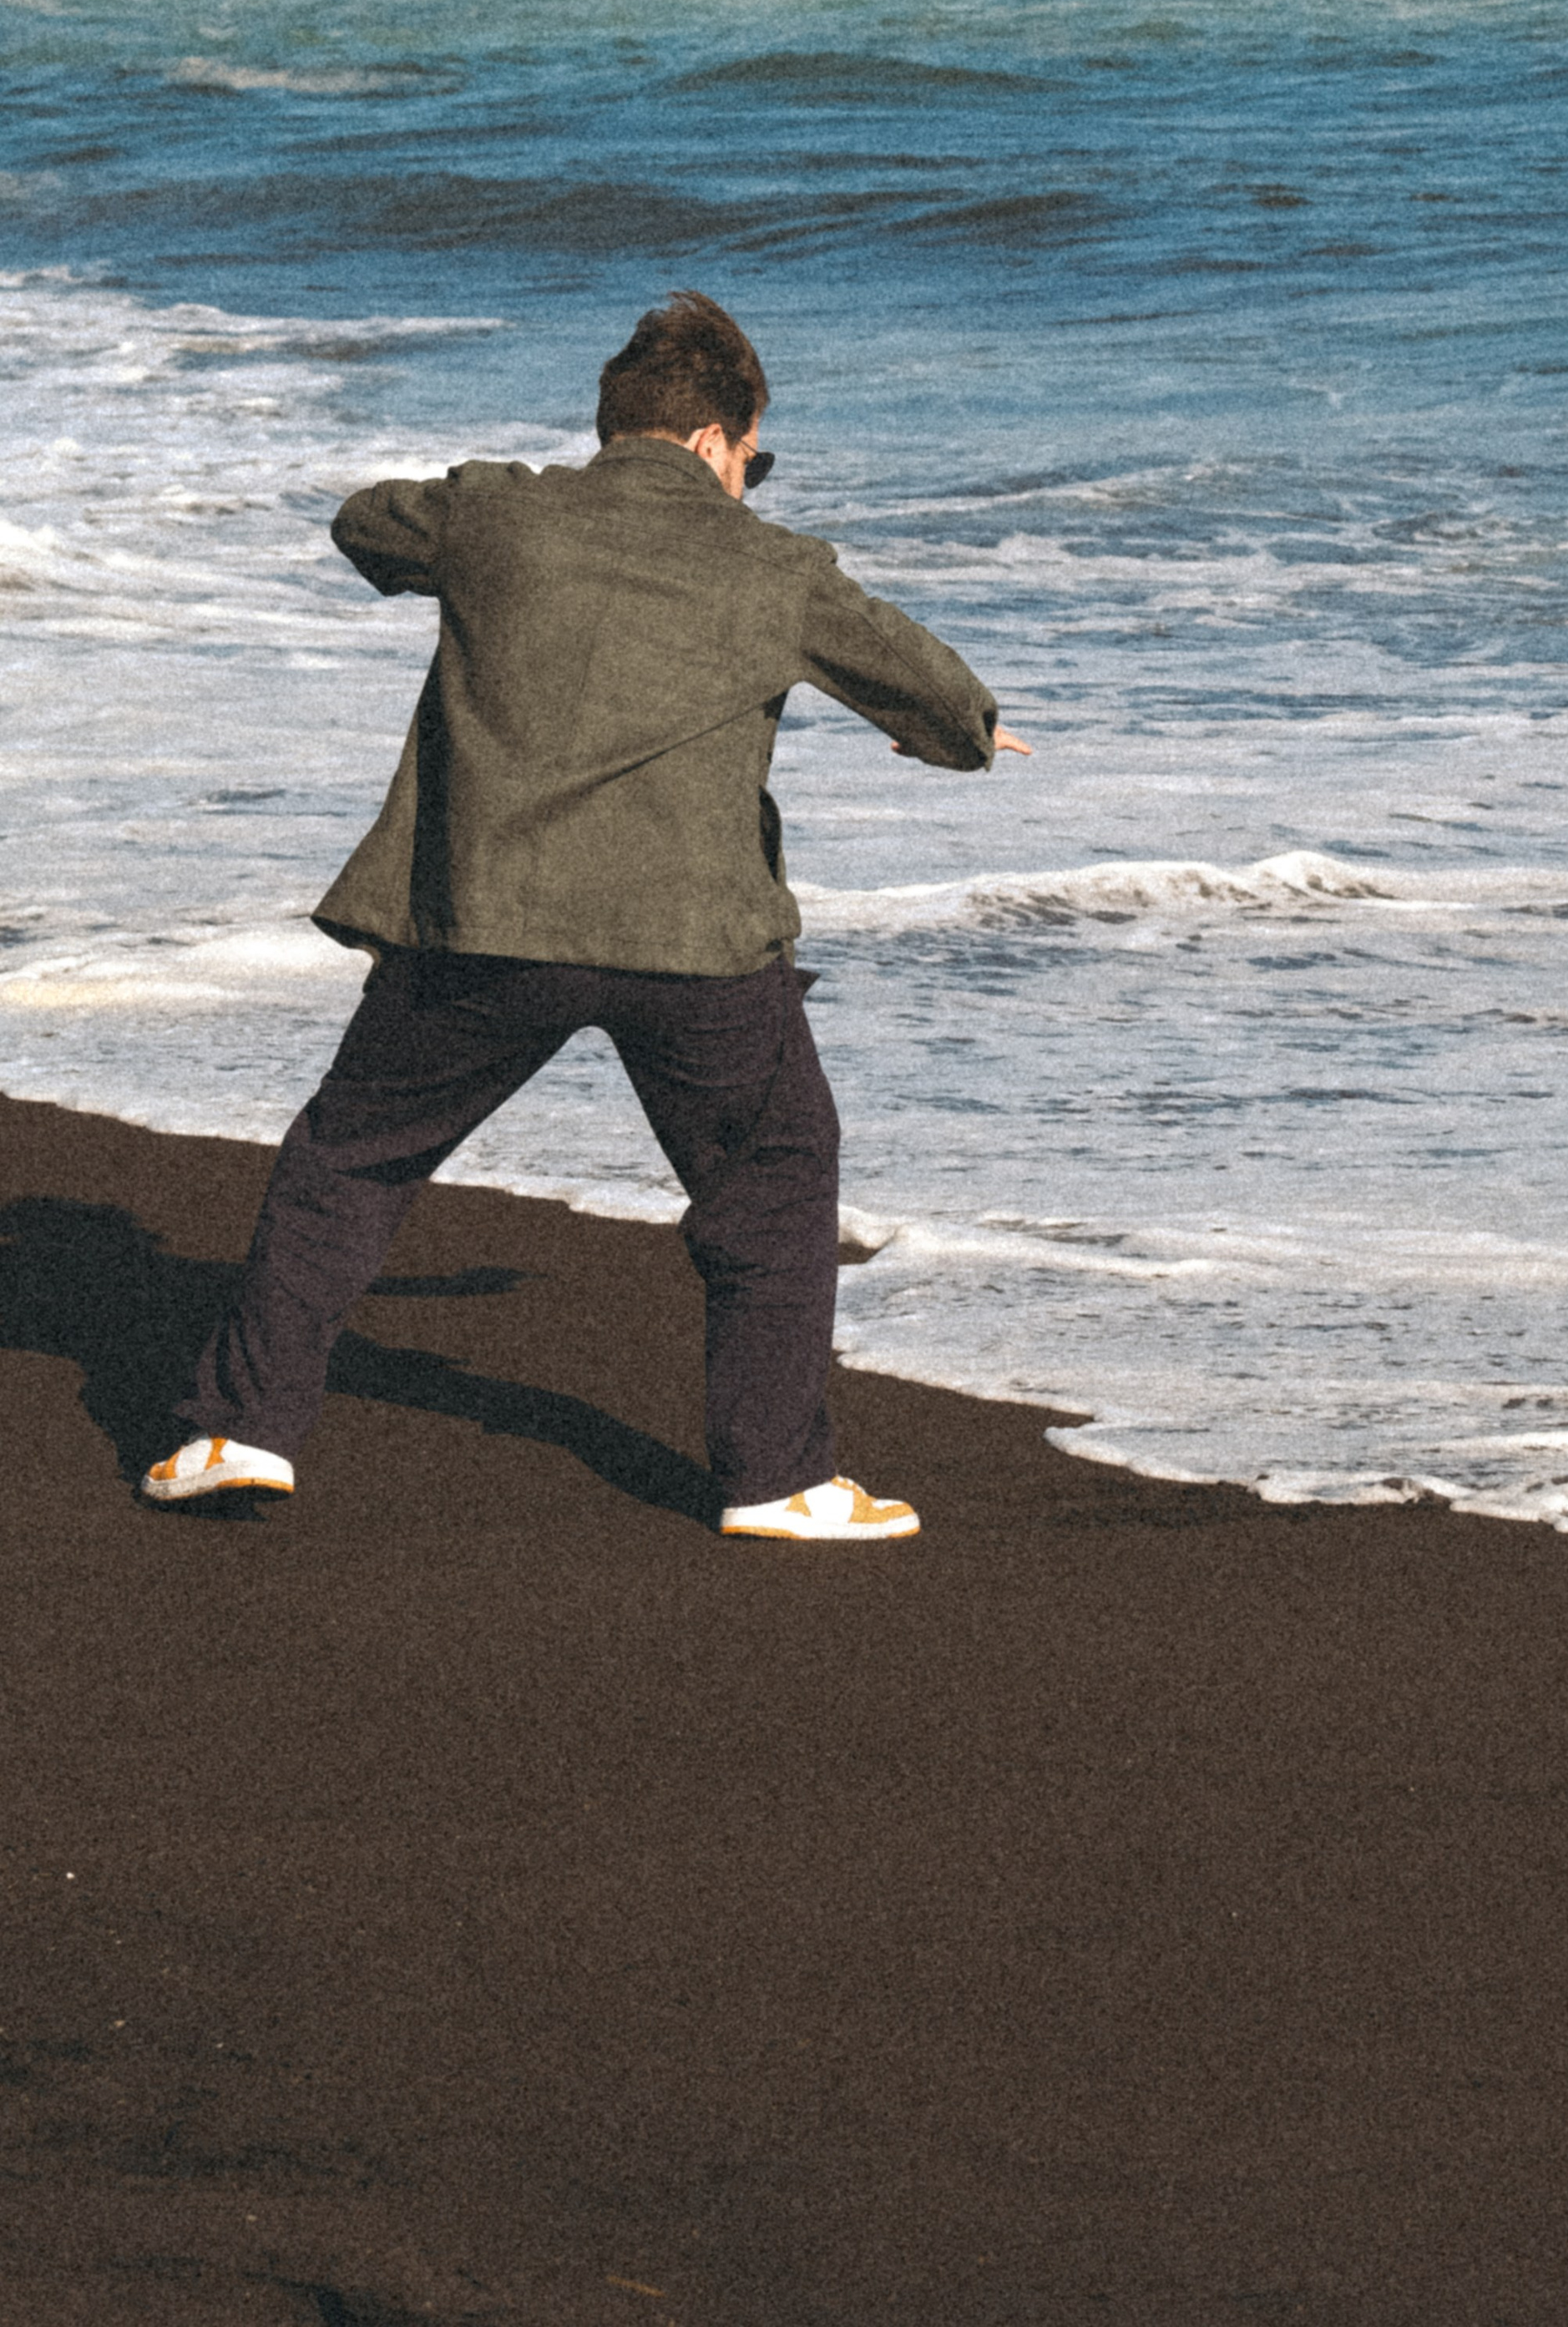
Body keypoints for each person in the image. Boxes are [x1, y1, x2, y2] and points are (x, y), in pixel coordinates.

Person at [144, 290, 1027, 1540]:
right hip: (697, 950)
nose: (753, 481)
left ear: (611, 429)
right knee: (772, 1183)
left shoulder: (497, 512)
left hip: (481, 928)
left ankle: (239, 1431)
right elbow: (940, 692)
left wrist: (478, 509)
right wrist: (960, 741)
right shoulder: (778, 567)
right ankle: (777, 1480)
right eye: (756, 460)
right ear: (722, 443)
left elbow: (363, 521)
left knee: (351, 1161)